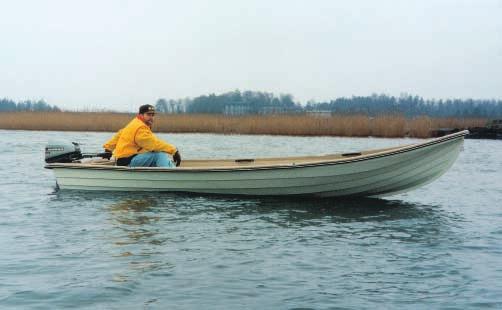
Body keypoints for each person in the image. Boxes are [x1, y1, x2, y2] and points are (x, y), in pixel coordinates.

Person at [103, 104, 181, 167]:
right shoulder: (140, 128)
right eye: (148, 115)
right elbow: (153, 144)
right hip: (127, 161)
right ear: (141, 115)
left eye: (153, 115)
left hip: (124, 160)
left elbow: (120, 134)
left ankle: (172, 170)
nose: (151, 117)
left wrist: (108, 148)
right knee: (159, 154)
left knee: (159, 155)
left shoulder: (135, 123)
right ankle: (173, 175)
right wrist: (174, 151)